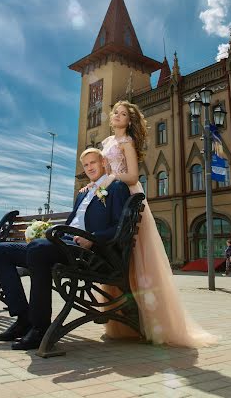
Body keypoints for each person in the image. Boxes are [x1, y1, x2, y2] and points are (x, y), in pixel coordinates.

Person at [84, 100, 217, 348]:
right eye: (115, 113)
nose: (117, 116)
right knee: (118, 256)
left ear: (129, 121)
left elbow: (132, 176)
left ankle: (149, 320)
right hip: (110, 195)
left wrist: (110, 178)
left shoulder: (127, 143)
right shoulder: (107, 143)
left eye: (123, 114)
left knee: (139, 258)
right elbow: (103, 173)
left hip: (127, 194)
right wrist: (95, 184)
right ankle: (124, 320)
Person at [0, 147, 130, 350]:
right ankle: (23, 319)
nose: (89, 167)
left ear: (103, 163)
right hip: (65, 244)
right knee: (1, 251)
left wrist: (94, 239)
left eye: (93, 162)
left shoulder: (116, 188)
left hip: (89, 252)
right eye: (86, 164)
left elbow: (120, 226)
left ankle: (40, 328)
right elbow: (73, 222)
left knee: (38, 250)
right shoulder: (83, 194)